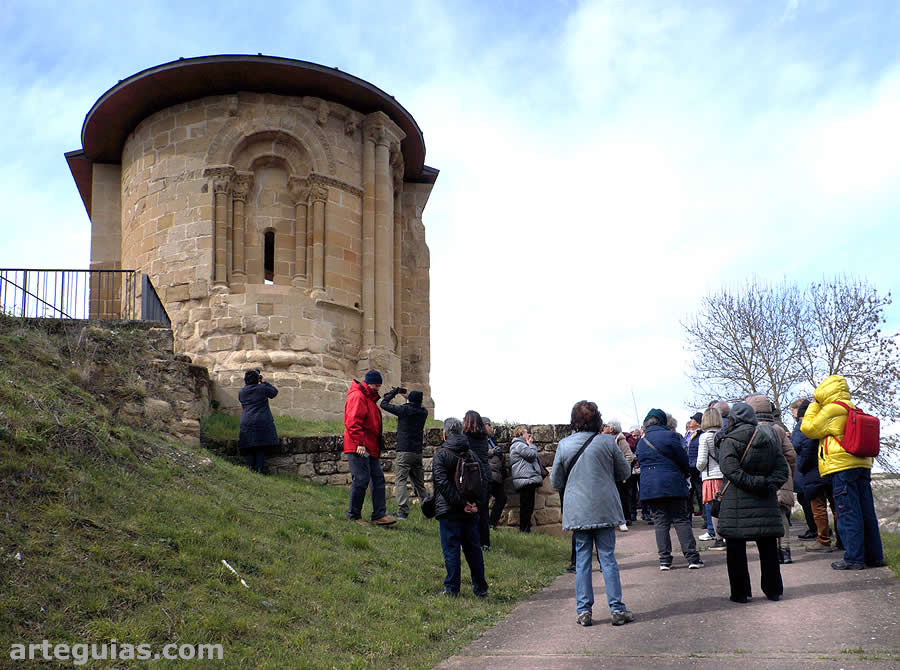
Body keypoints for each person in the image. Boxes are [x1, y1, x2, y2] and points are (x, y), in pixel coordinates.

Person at [550, 400, 634, 627]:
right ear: (597, 419)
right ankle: (617, 608)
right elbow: (624, 471)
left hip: (578, 509)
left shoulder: (564, 445)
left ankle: (584, 611)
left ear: (574, 421)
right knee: (608, 558)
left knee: (583, 560)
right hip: (604, 507)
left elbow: (555, 480)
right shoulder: (607, 442)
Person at [801, 375, 886, 570]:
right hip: (862, 464)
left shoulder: (833, 409)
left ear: (825, 391)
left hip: (842, 467)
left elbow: (809, 428)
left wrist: (814, 404)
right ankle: (874, 557)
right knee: (866, 513)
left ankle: (854, 558)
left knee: (848, 513)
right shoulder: (853, 408)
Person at [717, 401, 789, 603]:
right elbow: (782, 470)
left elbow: (730, 470)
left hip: (736, 502)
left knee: (736, 550)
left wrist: (752, 482)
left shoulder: (728, 440)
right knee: (768, 548)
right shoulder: (769, 438)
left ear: (733, 418)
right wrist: (767, 484)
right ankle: (773, 590)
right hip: (765, 500)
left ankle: (740, 593)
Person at [636, 409, 703, 570]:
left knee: (660, 522)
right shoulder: (670, 436)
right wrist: (685, 473)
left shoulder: (641, 441)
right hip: (672, 483)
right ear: (662, 421)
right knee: (681, 520)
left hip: (651, 487)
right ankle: (692, 558)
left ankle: (664, 560)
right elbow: (683, 459)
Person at [432, 417, 488, 597]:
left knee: (451, 549)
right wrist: (475, 505)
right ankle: (480, 588)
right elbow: (483, 481)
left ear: (444, 434)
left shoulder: (442, 454)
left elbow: (442, 483)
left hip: (450, 510)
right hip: (470, 511)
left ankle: (452, 588)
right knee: (473, 550)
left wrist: (461, 504)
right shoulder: (471, 453)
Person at [745, 394, 797, 564]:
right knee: (782, 515)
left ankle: (771, 553)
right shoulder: (779, 430)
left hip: (759, 478)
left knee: (763, 515)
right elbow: (791, 455)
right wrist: (791, 475)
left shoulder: (749, 430)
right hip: (782, 477)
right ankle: (786, 551)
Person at [343, 370, 396, 526]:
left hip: (370, 447)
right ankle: (354, 515)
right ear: (369, 383)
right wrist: (359, 443)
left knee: (378, 479)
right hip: (358, 446)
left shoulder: (368, 398)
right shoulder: (358, 396)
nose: (378, 388)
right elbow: (353, 422)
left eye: (379, 385)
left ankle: (379, 515)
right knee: (361, 479)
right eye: (376, 385)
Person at [793, 399, 838, 552]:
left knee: (818, 508)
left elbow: (798, 447)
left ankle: (823, 540)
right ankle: (842, 539)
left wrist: (802, 467)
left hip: (813, 471)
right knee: (835, 506)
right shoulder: (827, 422)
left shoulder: (804, 427)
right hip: (831, 469)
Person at [380, 386, 429, 520]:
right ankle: (428, 511)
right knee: (419, 483)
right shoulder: (423, 412)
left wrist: (394, 392)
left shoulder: (404, 410)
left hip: (404, 451)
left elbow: (383, 404)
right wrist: (410, 398)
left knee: (400, 480)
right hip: (417, 452)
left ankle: (403, 511)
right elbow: (418, 404)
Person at [790, 398, 821, 541]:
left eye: (793, 410)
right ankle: (819, 530)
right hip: (817, 468)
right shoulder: (816, 422)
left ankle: (816, 530)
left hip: (805, 469)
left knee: (806, 499)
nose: (792, 414)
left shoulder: (801, 425)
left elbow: (795, 447)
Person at [696, 407, 726, 550]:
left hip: (711, 476)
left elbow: (701, 461)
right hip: (725, 475)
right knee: (726, 507)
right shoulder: (724, 433)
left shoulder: (705, 437)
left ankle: (719, 539)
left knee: (715, 509)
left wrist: (698, 468)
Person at [463, 410, 493, 551]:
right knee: (483, 510)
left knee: (469, 508)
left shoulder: (465, 437)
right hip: (485, 474)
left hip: (472, 474)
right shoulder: (484, 437)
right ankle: (485, 542)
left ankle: (470, 540)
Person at [238, 368, 278, 473]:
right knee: (260, 447)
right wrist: (263, 382)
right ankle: (260, 471)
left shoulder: (242, 392)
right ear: (257, 379)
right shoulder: (262, 388)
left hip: (246, 421)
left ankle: (251, 470)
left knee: (250, 447)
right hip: (261, 421)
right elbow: (274, 392)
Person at [509, 425, 543, 532]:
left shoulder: (520, 445)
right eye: (526, 433)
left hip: (527, 479)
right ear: (521, 434)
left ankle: (526, 529)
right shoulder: (519, 444)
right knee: (526, 506)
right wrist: (531, 445)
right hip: (525, 479)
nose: (529, 435)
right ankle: (524, 530)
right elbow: (531, 455)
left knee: (528, 505)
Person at [607, 419, 635, 531]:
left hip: (620, 475)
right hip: (611, 474)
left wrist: (624, 470)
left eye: (607, 426)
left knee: (622, 497)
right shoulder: (608, 439)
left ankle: (625, 519)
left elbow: (629, 456)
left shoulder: (621, 440)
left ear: (612, 428)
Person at [483, 418, 508, 529]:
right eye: (489, 425)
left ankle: (491, 524)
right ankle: (486, 525)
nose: (491, 428)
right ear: (483, 425)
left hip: (496, 475)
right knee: (484, 501)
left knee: (501, 498)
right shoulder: (479, 439)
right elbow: (478, 452)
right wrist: (493, 452)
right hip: (488, 474)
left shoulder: (491, 440)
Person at [684, 412, 704, 517]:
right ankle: (688, 517)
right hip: (688, 468)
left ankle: (705, 518)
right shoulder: (688, 434)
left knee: (700, 493)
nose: (691, 421)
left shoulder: (701, 434)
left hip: (697, 467)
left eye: (693, 419)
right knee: (688, 493)